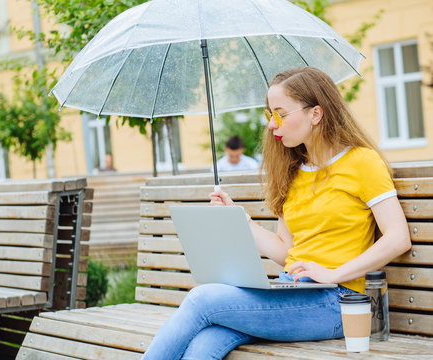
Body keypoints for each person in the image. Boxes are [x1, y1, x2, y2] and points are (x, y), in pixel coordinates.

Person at [140, 66, 411, 360]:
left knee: (201, 299)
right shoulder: (293, 171)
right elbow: (287, 252)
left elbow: (398, 238)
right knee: (207, 341)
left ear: (315, 114)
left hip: (337, 301)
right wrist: (237, 218)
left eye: (280, 113)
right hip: (293, 292)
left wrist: (332, 273)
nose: (272, 125)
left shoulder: (362, 162)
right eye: (270, 114)